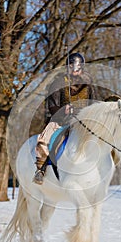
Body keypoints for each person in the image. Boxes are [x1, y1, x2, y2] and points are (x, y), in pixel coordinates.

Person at [33, 52, 96, 185]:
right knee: (45, 139)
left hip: (83, 121)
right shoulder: (59, 82)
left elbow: (93, 102)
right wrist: (63, 110)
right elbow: (51, 105)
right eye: (72, 67)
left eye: (77, 68)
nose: (74, 70)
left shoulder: (88, 83)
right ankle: (41, 169)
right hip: (61, 120)